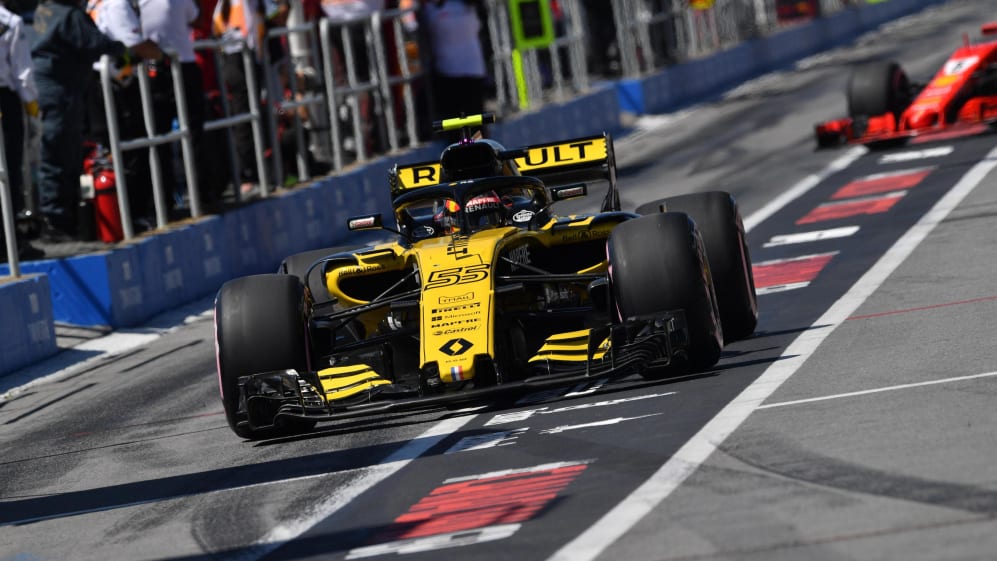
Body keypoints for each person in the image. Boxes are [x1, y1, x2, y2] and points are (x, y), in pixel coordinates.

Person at [30, 0, 158, 242]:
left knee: (61, 153)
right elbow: (98, 43)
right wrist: (132, 52)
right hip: (62, 91)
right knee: (59, 154)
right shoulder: (69, 15)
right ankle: (56, 221)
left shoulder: (46, 9)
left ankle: (62, 218)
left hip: (56, 88)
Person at [91, 0, 166, 233]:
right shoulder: (117, 4)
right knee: (132, 152)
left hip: (104, 86)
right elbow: (135, 45)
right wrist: (159, 53)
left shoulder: (95, 3)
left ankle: (125, 215)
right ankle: (134, 216)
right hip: (118, 87)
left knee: (120, 152)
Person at [140, 0, 215, 211]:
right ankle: (201, 196)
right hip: (177, 67)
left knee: (160, 138)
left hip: (155, 70)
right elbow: (198, 20)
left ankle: (165, 202)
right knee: (191, 134)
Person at [212, 0, 288, 197]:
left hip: (243, 61)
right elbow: (280, 14)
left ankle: (259, 173)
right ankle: (247, 176)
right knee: (247, 120)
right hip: (243, 61)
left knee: (258, 115)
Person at [0, 0, 43, 260]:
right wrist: (34, 109)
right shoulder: (9, 21)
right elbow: (23, 73)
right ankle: (8, 242)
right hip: (4, 100)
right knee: (9, 171)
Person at [417, 0, 487, 139]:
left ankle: (479, 150)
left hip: (474, 71)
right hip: (447, 74)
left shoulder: (468, 4)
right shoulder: (430, 8)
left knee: (476, 125)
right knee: (455, 129)